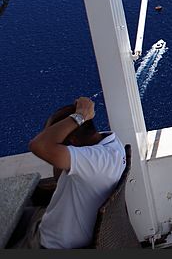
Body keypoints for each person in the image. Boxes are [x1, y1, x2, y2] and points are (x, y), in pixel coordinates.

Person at [17, 97, 125, 249]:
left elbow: (38, 145)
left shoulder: (93, 161)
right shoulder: (110, 145)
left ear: (73, 141)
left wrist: (80, 115)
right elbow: (58, 176)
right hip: (57, 219)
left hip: (50, 243)